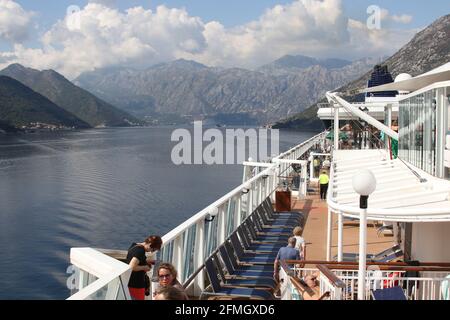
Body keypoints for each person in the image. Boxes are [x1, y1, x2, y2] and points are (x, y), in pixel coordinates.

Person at [126, 235, 163, 300]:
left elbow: (136, 260)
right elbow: (132, 266)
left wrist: (149, 261)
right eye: (153, 249)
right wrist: (145, 267)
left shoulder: (134, 245)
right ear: (150, 244)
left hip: (130, 281)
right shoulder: (140, 251)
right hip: (136, 284)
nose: (151, 252)